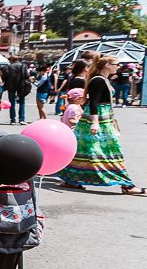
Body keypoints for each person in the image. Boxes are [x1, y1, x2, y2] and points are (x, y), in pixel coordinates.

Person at [57, 54, 145, 195]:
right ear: (107, 65)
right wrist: (95, 123)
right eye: (116, 64)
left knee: (85, 150)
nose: (118, 67)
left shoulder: (102, 79)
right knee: (111, 151)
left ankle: (71, 180)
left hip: (102, 118)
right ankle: (127, 186)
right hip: (98, 119)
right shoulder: (98, 80)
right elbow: (93, 102)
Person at [0, 56, 28, 125]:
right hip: (21, 86)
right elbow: (27, 76)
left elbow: (4, 78)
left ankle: (13, 120)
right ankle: (21, 119)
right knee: (22, 102)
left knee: (12, 103)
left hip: (10, 86)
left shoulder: (7, 67)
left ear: (11, 60)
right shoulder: (23, 66)